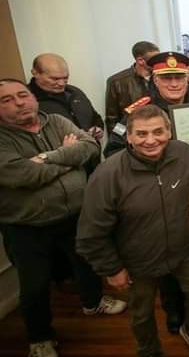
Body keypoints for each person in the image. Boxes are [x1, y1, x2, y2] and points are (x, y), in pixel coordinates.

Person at [0, 79, 126, 357]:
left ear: (33, 97)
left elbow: (90, 147)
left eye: (22, 95)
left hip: (75, 215)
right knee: (34, 284)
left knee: (86, 264)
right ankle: (40, 338)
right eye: (6, 100)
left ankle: (93, 302)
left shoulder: (56, 121)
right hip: (27, 225)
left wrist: (46, 157)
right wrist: (69, 157)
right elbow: (22, 175)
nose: (19, 102)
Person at [77, 104, 189, 357]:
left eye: (158, 132)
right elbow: (90, 233)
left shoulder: (186, 154)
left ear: (169, 131)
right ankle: (149, 350)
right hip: (137, 260)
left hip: (184, 250)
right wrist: (112, 269)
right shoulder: (108, 174)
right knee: (142, 313)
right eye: (141, 134)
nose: (151, 140)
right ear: (128, 136)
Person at [29, 53, 104, 149]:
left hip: (91, 156)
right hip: (58, 160)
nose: (61, 83)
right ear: (35, 73)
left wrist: (98, 129)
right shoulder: (27, 101)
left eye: (65, 78)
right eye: (54, 79)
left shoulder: (75, 92)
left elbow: (95, 117)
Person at [104, 41, 159, 132]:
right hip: (132, 135)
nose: (157, 62)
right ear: (140, 60)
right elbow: (112, 119)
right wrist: (121, 139)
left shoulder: (161, 77)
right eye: (154, 59)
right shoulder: (117, 82)